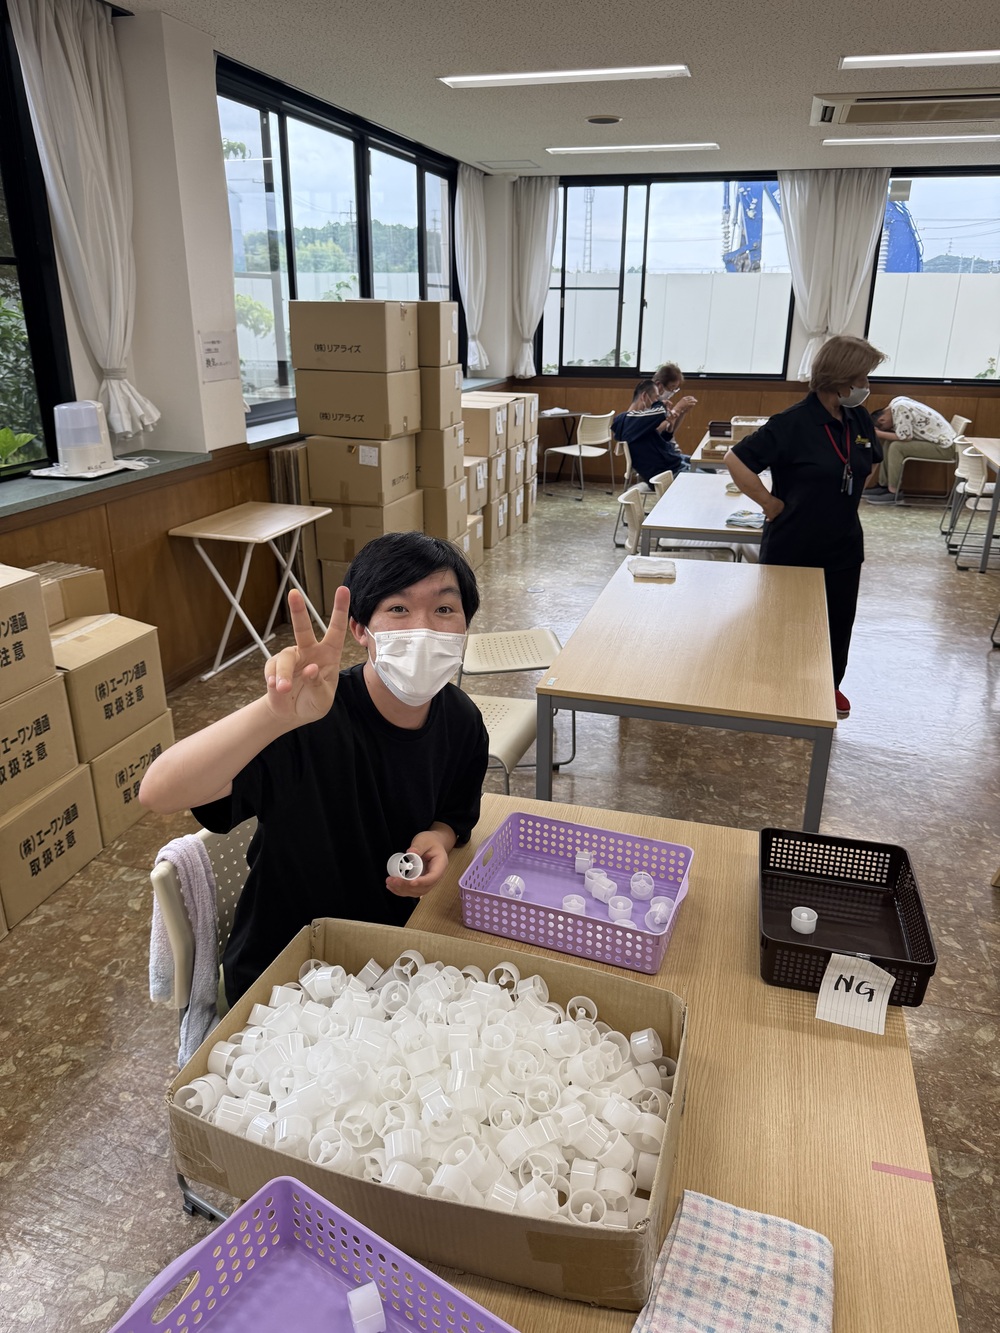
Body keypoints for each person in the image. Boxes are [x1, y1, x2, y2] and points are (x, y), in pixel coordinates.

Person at [139, 531, 490, 1003]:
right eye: (398, 608)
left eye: (444, 609)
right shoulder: (310, 721)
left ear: (464, 626)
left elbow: (455, 813)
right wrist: (275, 716)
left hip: (392, 962)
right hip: (288, 977)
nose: (423, 627)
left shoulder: (463, 720)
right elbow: (158, 792)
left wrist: (439, 837)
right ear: (361, 630)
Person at [722, 335, 886, 720]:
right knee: (784, 623)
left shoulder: (859, 418)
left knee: (838, 622)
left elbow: (872, 462)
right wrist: (769, 503)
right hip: (794, 543)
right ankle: (775, 687)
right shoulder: (792, 423)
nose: (866, 386)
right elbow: (736, 460)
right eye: (862, 377)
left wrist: (847, 488)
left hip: (844, 543)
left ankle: (828, 685)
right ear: (840, 378)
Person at [864, 396, 957, 503]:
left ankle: (894, 492)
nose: (890, 428)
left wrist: (877, 433)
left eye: (885, 427)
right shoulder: (895, 403)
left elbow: (905, 437)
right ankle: (883, 485)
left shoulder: (900, 408)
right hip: (941, 442)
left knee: (896, 447)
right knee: (889, 442)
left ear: (882, 420)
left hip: (945, 448)